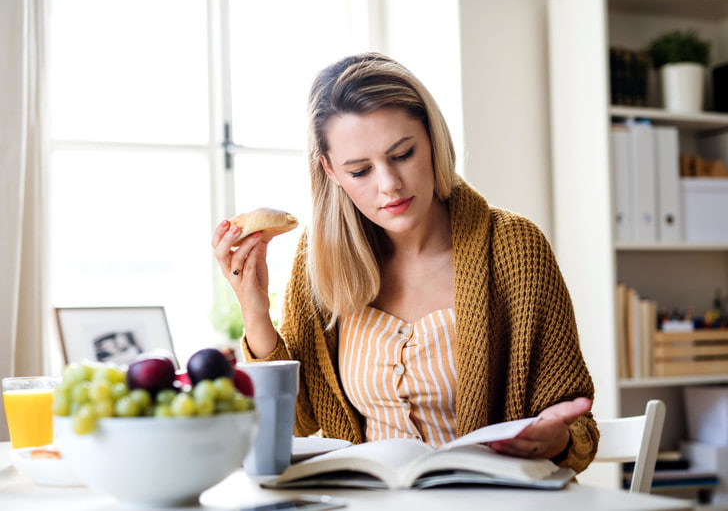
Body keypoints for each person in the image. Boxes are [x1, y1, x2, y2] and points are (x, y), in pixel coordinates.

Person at [212, 52, 598, 473]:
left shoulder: (514, 248)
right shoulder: (319, 259)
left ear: (432, 138)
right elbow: (298, 421)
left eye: (402, 154)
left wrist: (555, 437)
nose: (389, 184)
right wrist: (253, 307)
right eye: (360, 170)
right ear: (331, 172)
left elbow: (578, 429)